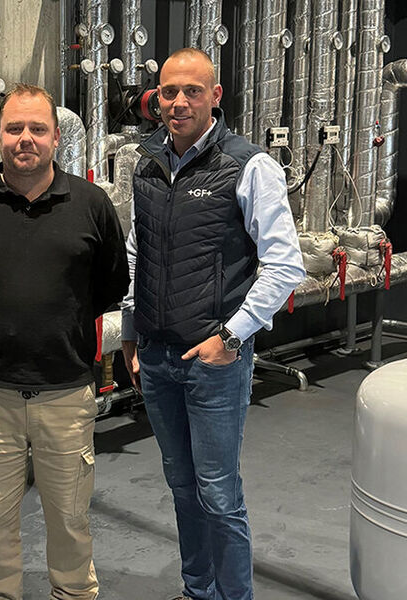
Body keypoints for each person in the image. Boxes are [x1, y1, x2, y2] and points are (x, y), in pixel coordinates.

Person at [0, 83, 129, 600]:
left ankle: (73, 594)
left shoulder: (91, 204)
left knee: (71, 519)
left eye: (38, 128)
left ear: (56, 137)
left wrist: (58, 322)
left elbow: (112, 284)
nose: (26, 139)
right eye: (14, 128)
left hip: (66, 392)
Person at [120, 48, 306, 600]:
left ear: (215, 96)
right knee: (182, 487)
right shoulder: (146, 163)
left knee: (219, 494)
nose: (178, 102)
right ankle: (197, 590)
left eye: (192, 91)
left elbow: (285, 264)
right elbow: (136, 253)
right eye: (169, 92)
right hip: (156, 356)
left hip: (214, 362)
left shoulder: (249, 166)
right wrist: (130, 330)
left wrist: (231, 335)